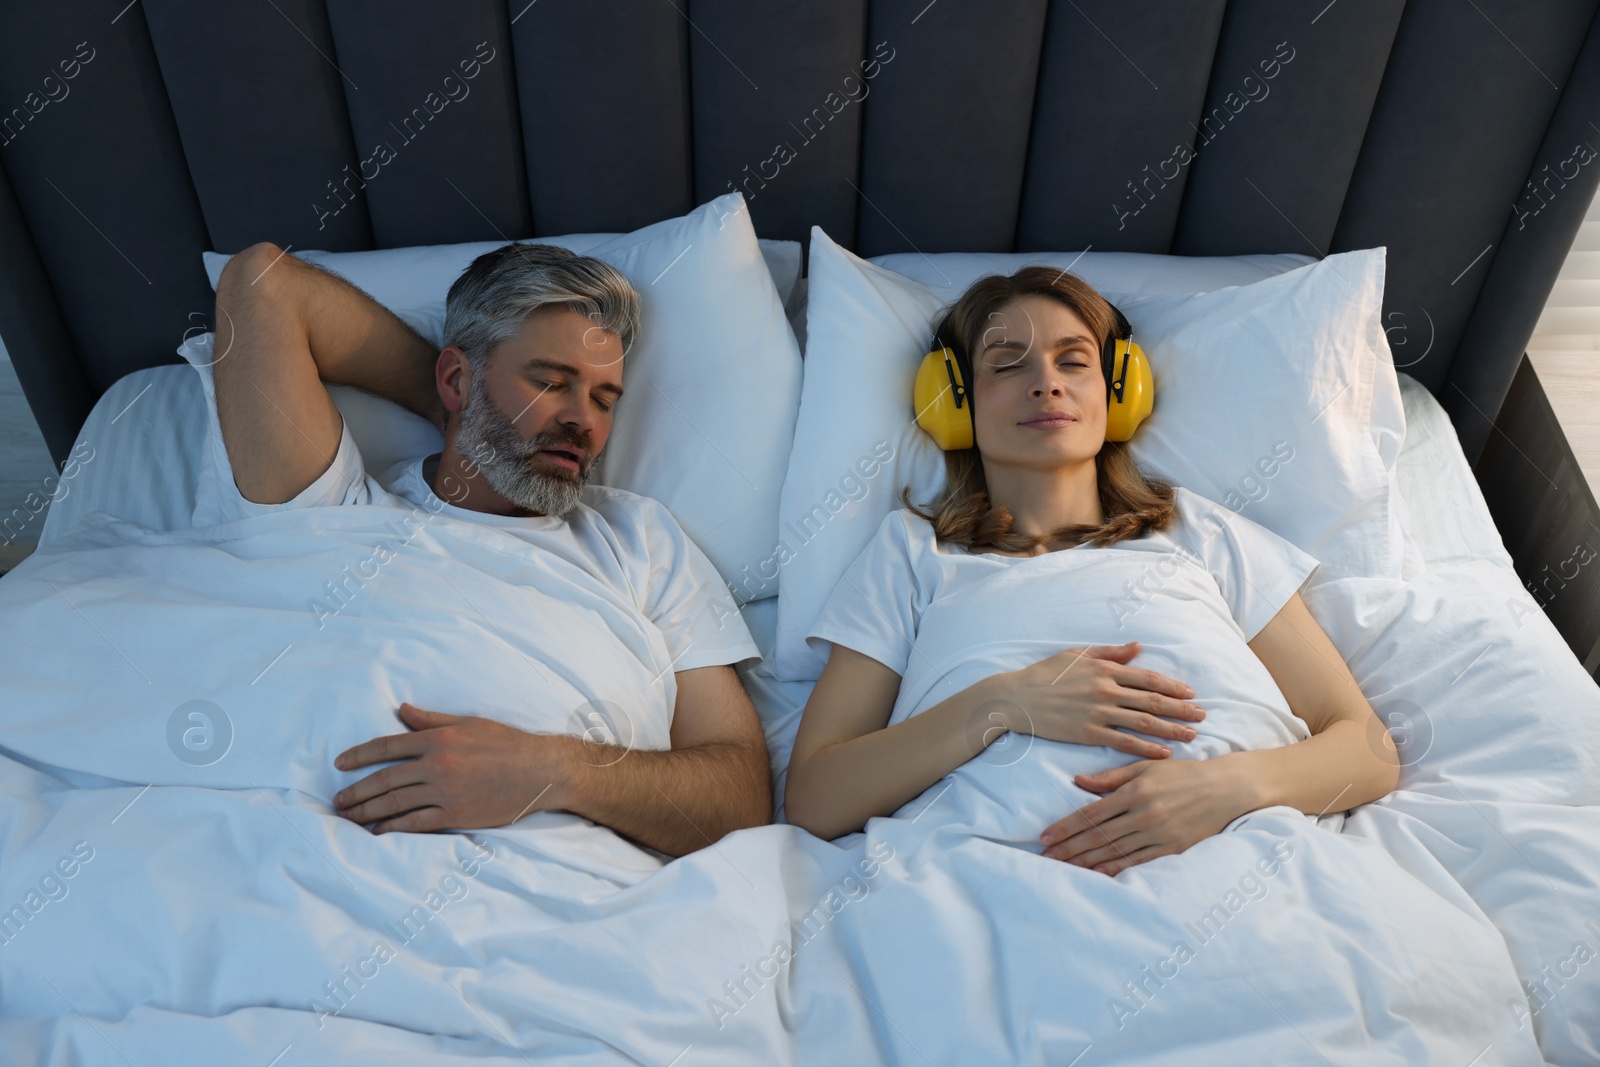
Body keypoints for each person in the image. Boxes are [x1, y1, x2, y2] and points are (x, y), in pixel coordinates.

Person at [784, 267, 1399, 875]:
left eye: (1073, 361)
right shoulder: (912, 551)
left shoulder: (1201, 532)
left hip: (1243, 860)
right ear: (953, 402)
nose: (1046, 383)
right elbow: (815, 796)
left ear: (1121, 393)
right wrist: (1003, 703)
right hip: (988, 874)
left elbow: (1365, 749)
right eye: (1006, 363)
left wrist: (1226, 787)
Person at [200, 241, 771, 855]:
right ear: (453, 377)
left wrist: (550, 770)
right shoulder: (331, 509)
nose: (584, 421)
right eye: (552, 382)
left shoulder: (640, 541)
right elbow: (262, 283)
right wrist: (459, 413)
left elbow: (739, 800)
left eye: (605, 400)